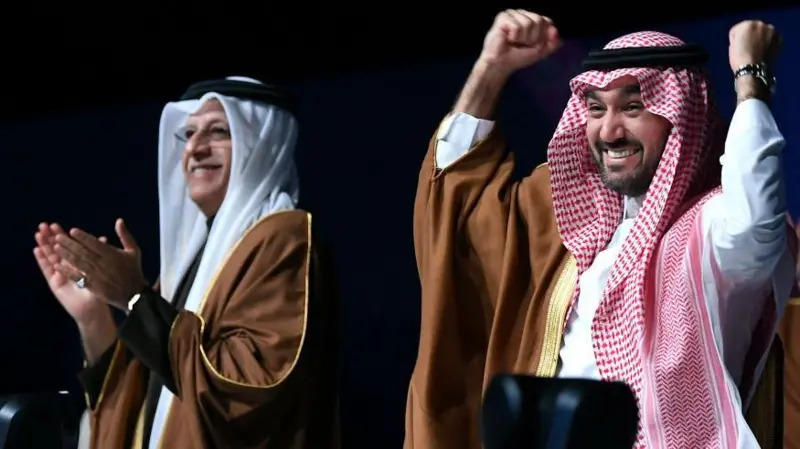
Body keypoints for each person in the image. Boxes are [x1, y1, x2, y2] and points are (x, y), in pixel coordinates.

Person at [405, 10, 796, 449]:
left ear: (682, 114)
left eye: (633, 107)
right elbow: (459, 205)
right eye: (595, 109)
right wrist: (491, 68)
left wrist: (750, 80)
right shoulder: (568, 228)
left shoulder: (713, 232)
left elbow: (755, 215)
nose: (609, 131)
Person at [33, 76, 340, 449]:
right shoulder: (193, 258)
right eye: (189, 133)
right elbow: (145, 396)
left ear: (261, 143)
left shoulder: (283, 236)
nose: (195, 147)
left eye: (218, 131)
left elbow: (246, 387)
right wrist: (94, 317)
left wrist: (135, 297)